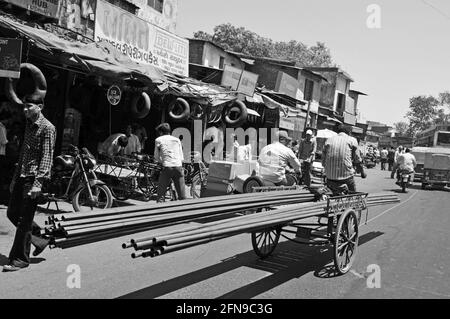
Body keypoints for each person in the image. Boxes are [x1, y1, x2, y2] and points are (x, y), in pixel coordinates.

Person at [3, 95, 56, 272]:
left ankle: (19, 259)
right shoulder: (29, 125)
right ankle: (41, 239)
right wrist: (14, 179)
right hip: (22, 176)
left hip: (33, 179)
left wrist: (38, 184)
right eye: (24, 107)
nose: (25, 110)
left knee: (23, 221)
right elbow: (23, 156)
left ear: (40, 106)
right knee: (12, 213)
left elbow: (47, 157)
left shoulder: (47, 128)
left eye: (29, 106)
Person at [322, 124, 363, 193]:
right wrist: (362, 172)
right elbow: (358, 160)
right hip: (346, 177)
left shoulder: (329, 140)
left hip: (330, 177)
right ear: (349, 132)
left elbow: (323, 160)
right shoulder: (352, 140)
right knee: (352, 195)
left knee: (330, 194)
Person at [154, 123, 186, 202]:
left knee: (161, 195)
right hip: (178, 167)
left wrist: (162, 161)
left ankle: (159, 211)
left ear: (161, 132)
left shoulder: (158, 140)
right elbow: (181, 156)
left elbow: (156, 156)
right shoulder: (177, 140)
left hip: (167, 167)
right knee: (182, 196)